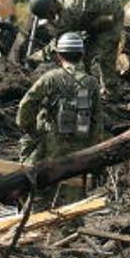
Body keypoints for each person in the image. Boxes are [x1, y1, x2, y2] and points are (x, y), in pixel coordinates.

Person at [16, 32, 102, 164]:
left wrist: (30, 129)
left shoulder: (50, 78)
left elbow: (26, 104)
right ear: (82, 54)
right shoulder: (92, 82)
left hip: (51, 146)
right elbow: (97, 120)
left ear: (59, 55)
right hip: (81, 149)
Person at [29, 0, 123, 97]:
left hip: (110, 12)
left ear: (53, 3)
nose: (50, 17)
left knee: (105, 54)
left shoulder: (70, 11)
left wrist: (39, 56)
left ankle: (111, 92)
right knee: (85, 55)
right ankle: (88, 88)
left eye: (50, 13)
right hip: (92, 13)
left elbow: (61, 42)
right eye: (46, 16)